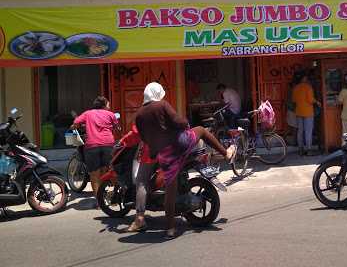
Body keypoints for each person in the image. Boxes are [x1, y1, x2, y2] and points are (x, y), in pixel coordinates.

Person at [135, 82, 235, 239]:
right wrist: (185, 125)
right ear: (158, 93)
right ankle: (225, 153)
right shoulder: (161, 105)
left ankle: (170, 229)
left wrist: (156, 151)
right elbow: (178, 121)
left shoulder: (139, 115)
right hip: (179, 143)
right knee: (201, 130)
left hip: (164, 154)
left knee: (170, 191)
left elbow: (144, 138)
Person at [122, 123, 236, 233]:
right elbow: (183, 124)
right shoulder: (165, 114)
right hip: (182, 148)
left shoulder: (145, 118)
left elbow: (133, 136)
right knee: (201, 130)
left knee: (141, 182)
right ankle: (226, 153)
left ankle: (140, 218)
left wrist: (122, 142)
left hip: (160, 154)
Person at [71, 96, 119, 206]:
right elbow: (117, 127)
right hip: (108, 145)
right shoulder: (110, 114)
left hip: (92, 146)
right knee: (109, 172)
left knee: (94, 175)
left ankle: (99, 203)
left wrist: (74, 127)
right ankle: (115, 198)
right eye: (108, 104)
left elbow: (75, 123)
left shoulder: (88, 113)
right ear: (104, 105)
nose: (109, 106)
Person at [292, 73, 321, 156]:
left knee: (300, 131)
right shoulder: (308, 87)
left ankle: (300, 149)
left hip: (299, 111)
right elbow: (310, 100)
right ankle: (308, 150)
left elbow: (294, 100)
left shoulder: (296, 88)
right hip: (308, 112)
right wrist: (317, 102)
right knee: (308, 131)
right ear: (304, 78)